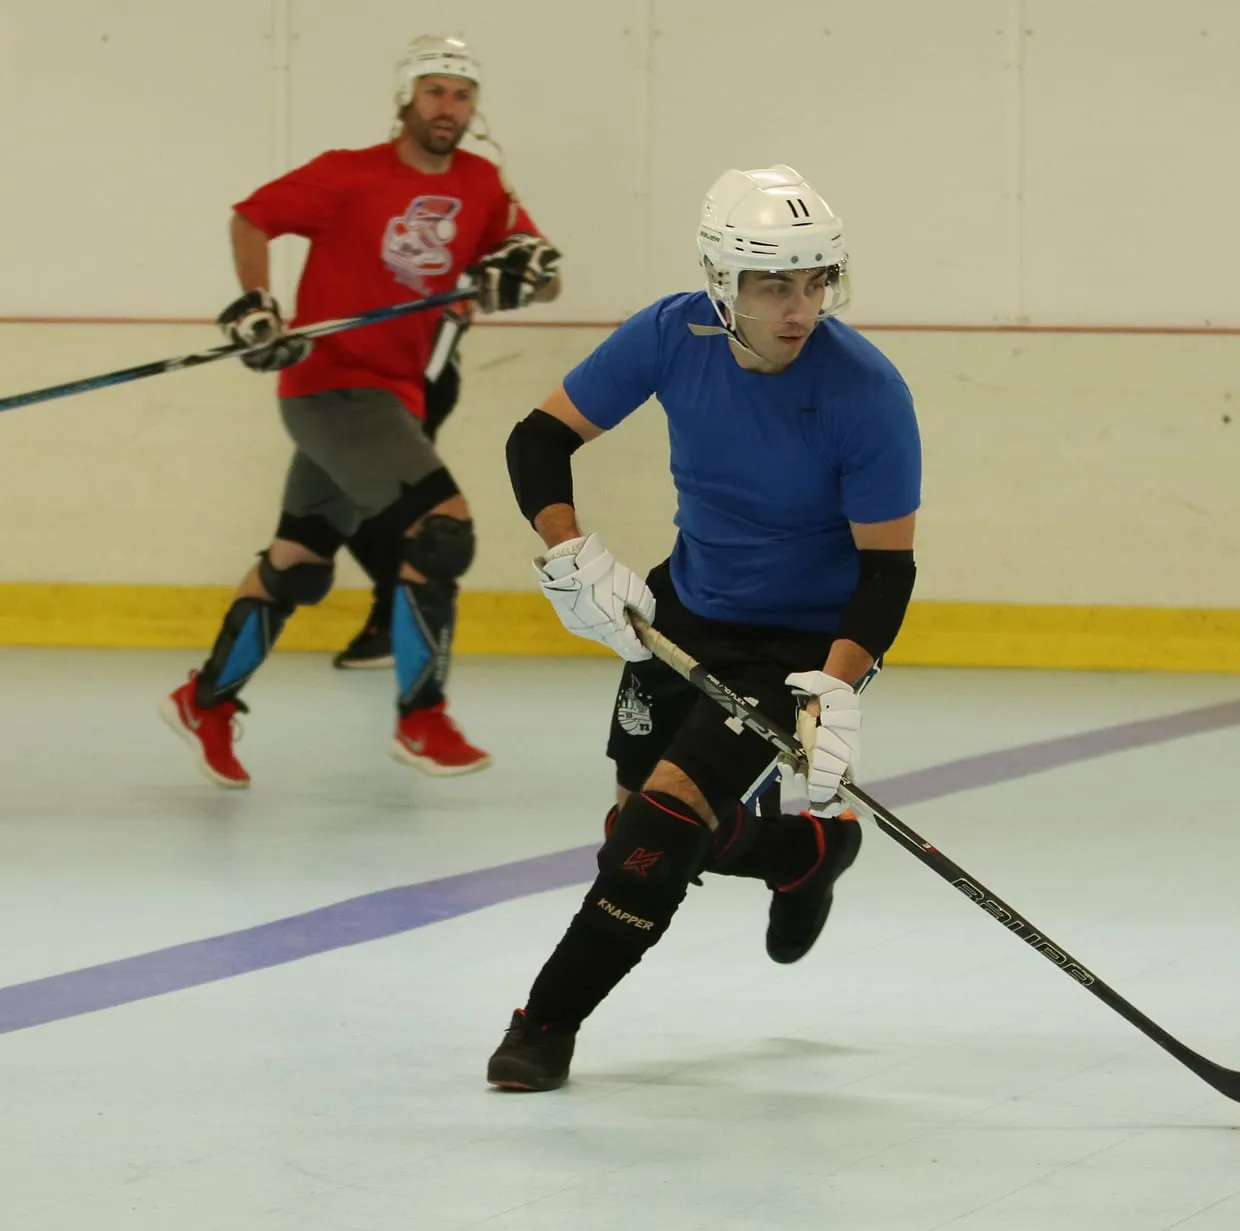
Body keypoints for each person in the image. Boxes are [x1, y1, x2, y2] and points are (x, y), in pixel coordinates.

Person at [486, 165, 921, 1091]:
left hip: (795, 645)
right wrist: (570, 553)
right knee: (631, 832)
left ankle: (545, 1022)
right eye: (773, 285)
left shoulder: (868, 393)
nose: (800, 308)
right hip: (682, 610)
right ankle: (805, 850)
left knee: (661, 824)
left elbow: (887, 571)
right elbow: (538, 439)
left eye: (817, 282)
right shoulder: (669, 332)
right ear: (723, 283)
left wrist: (836, 685)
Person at [158, 34, 561, 788]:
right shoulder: (348, 174)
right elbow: (250, 218)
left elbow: (542, 273)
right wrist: (257, 303)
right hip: (334, 388)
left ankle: (203, 699)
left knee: (299, 566)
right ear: (406, 99)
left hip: (398, 396)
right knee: (442, 530)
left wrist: (523, 279)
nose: (450, 108)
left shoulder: (483, 182)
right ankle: (421, 715)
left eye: (463, 94)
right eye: (436, 91)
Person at [332, 304, 471, 670]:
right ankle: (402, 607)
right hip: (375, 381)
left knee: (378, 498)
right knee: (337, 499)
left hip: (412, 380)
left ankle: (404, 611)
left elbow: (451, 318)